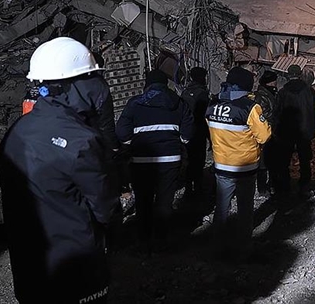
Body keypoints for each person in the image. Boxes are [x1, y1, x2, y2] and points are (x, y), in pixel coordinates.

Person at [0, 37, 120, 303]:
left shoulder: (16, 132)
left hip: (29, 263)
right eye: (89, 76)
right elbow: (104, 207)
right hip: (75, 267)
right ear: (71, 86)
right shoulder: (80, 141)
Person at [116, 69, 193, 254]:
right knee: (165, 201)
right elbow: (187, 134)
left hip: (141, 159)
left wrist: (132, 141)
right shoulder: (179, 102)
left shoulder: (135, 103)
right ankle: (162, 240)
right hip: (170, 159)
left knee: (143, 200)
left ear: (147, 83)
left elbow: (122, 132)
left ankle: (144, 239)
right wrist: (180, 141)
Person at [207, 67, 271, 258]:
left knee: (222, 207)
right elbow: (265, 136)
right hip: (245, 167)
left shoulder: (213, 104)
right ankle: (243, 247)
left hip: (222, 166)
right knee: (245, 209)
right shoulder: (250, 107)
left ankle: (218, 246)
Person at [274, 64, 315, 196]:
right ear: (300, 74)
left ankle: (285, 185)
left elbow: (277, 113)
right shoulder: (309, 91)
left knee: (284, 159)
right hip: (304, 131)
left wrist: (276, 130)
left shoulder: (283, 92)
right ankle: (304, 184)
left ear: (288, 75)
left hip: (286, 131)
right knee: (305, 159)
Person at [181, 67, 210, 196]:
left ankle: (188, 187)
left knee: (189, 160)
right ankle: (197, 188)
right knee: (199, 160)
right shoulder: (202, 94)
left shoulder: (185, 92)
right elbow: (205, 115)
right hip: (199, 131)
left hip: (187, 130)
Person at [253, 70, 279, 197]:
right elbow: (263, 113)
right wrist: (277, 115)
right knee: (263, 161)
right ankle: (262, 188)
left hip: (271, 131)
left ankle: (269, 185)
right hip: (265, 131)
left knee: (271, 160)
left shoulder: (269, 93)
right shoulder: (262, 96)